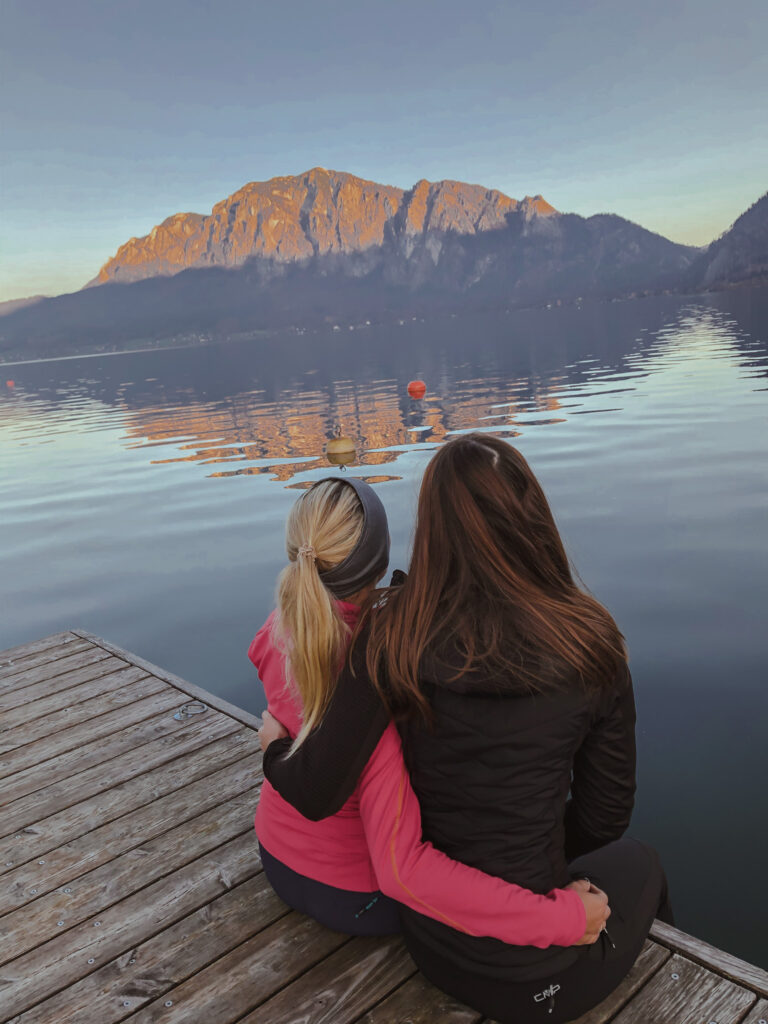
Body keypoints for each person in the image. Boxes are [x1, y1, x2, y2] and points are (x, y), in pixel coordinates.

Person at [260, 437, 674, 1024]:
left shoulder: (389, 635)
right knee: (642, 865)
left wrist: (274, 746)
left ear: (430, 528)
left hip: (433, 945)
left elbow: (318, 782)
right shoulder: (592, 645)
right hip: (538, 974)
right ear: (534, 521)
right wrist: (537, 859)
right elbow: (606, 816)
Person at [252, 475, 610, 948]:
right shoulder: (381, 675)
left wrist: (274, 746)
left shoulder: (277, 628)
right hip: (355, 896)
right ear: (380, 560)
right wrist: (560, 920)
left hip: (276, 857)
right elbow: (401, 872)